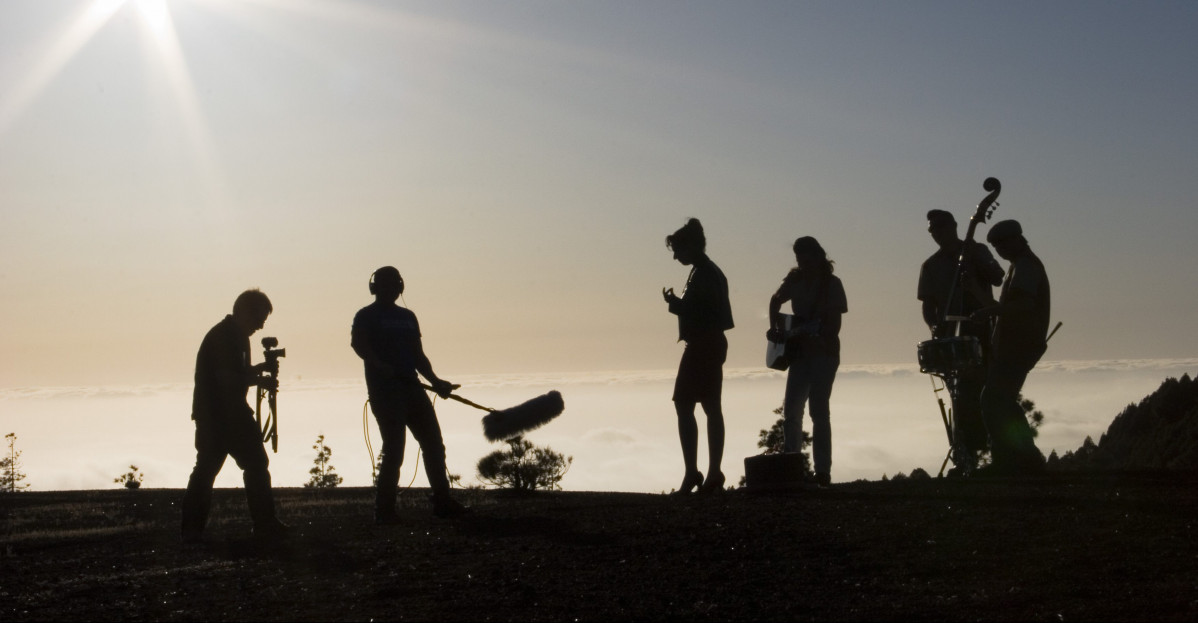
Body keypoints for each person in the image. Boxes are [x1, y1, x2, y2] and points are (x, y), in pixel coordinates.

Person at [352, 266, 467, 523]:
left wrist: (436, 382)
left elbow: (418, 356)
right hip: (385, 393)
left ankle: (442, 501)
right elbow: (359, 345)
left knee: (434, 445)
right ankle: (384, 510)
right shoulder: (365, 316)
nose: (391, 289)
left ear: (400, 286)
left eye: (395, 284)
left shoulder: (408, 317)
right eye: (386, 284)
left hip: (413, 388)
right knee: (394, 451)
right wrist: (379, 365)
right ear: (375, 287)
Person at [181, 289, 287, 542]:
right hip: (221, 415)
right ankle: (263, 524)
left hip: (220, 413)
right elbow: (225, 378)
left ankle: (192, 530)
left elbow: (235, 372)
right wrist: (259, 380)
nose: (260, 326)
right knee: (248, 466)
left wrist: (259, 371)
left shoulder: (234, 335)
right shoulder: (225, 337)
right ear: (244, 312)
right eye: (258, 319)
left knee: (209, 469)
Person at [917, 209, 1005, 475]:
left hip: (980, 333)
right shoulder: (930, 265)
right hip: (949, 338)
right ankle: (964, 456)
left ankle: (992, 454)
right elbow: (928, 305)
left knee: (980, 393)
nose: (936, 233)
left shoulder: (976, 251)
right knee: (958, 396)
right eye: (932, 229)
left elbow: (998, 277)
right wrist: (934, 326)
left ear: (954, 226)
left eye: (940, 227)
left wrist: (976, 267)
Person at [971, 220, 1050, 476]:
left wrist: (990, 310)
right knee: (1004, 400)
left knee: (992, 399)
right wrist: (978, 295)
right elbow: (1008, 310)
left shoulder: (1025, 267)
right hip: (1018, 344)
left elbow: (1022, 307)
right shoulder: (1020, 266)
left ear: (1017, 239)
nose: (999, 250)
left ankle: (1008, 461)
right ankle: (1026, 457)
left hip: (1019, 344)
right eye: (995, 246)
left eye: (1001, 244)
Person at [767, 236, 847, 487]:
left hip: (824, 353)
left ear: (818, 256)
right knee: (792, 410)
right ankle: (792, 466)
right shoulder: (795, 279)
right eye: (799, 259)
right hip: (800, 353)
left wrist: (818, 338)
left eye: (806, 258)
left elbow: (834, 325)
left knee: (818, 410)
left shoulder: (832, 284)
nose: (802, 263)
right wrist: (775, 329)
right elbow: (775, 299)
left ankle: (822, 471)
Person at [662, 218, 734, 494]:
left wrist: (677, 306)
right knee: (705, 407)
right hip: (707, 345)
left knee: (692, 405)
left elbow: (705, 314)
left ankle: (701, 472)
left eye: (678, 250)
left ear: (691, 247)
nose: (675, 256)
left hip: (703, 345)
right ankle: (706, 472)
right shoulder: (704, 271)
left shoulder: (705, 273)